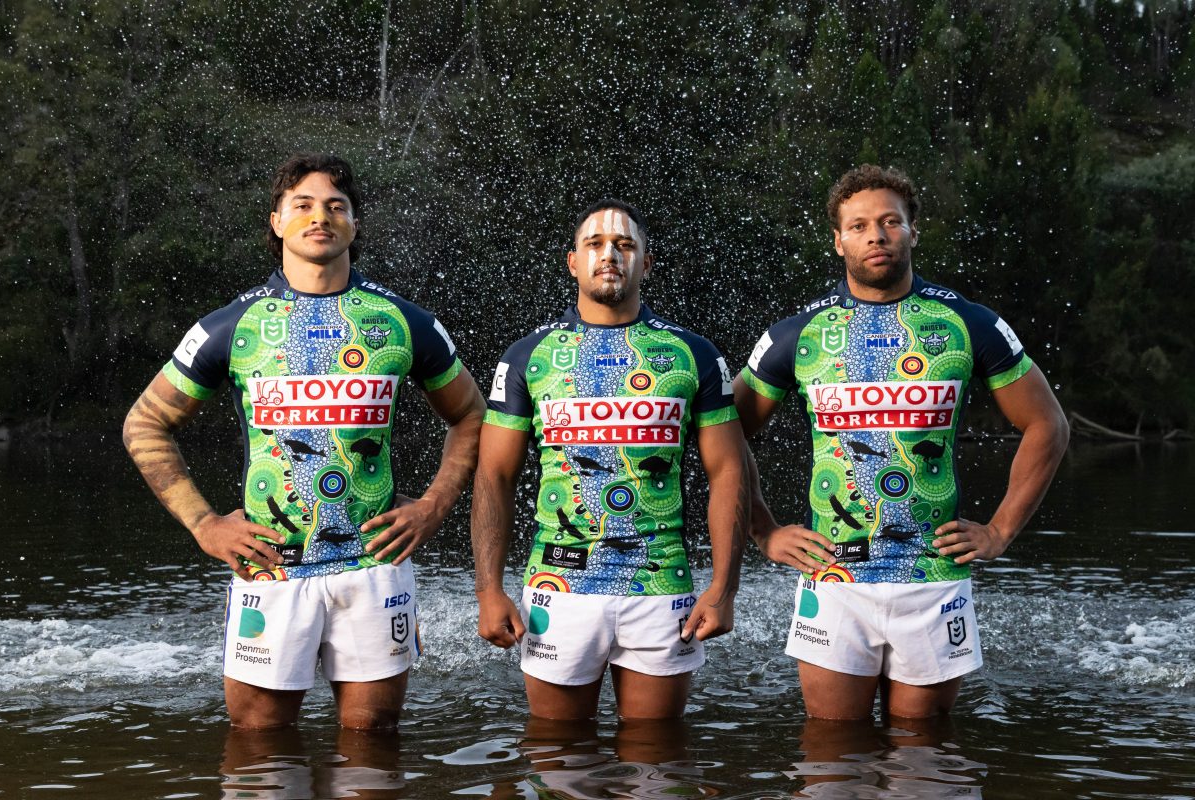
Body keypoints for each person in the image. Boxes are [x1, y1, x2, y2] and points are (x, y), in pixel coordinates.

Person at [122, 153, 484, 730]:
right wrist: (204, 525)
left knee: (371, 749)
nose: (321, 216)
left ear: (355, 226)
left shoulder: (401, 320)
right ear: (276, 222)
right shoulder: (231, 325)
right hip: (270, 566)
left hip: (374, 565)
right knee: (259, 753)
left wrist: (434, 505)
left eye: (336, 206)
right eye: (304, 205)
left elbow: (471, 416)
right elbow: (144, 423)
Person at [734, 165, 1069, 721]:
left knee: (925, 762)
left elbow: (1047, 424)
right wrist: (763, 529)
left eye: (891, 221)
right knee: (831, 763)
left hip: (933, 578)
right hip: (833, 579)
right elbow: (723, 434)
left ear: (914, 230)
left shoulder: (967, 323)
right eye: (860, 225)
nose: (877, 235)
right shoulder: (799, 334)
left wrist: (1000, 529)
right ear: (838, 241)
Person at [471, 199, 748, 720]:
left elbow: (727, 471)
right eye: (594, 244)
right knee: (557, 758)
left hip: (662, 585)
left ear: (646, 262)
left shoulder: (692, 353)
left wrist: (723, 587)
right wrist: (488, 589)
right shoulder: (528, 356)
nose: (609, 255)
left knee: (656, 764)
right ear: (572, 262)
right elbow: (494, 475)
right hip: (560, 586)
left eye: (624, 245)